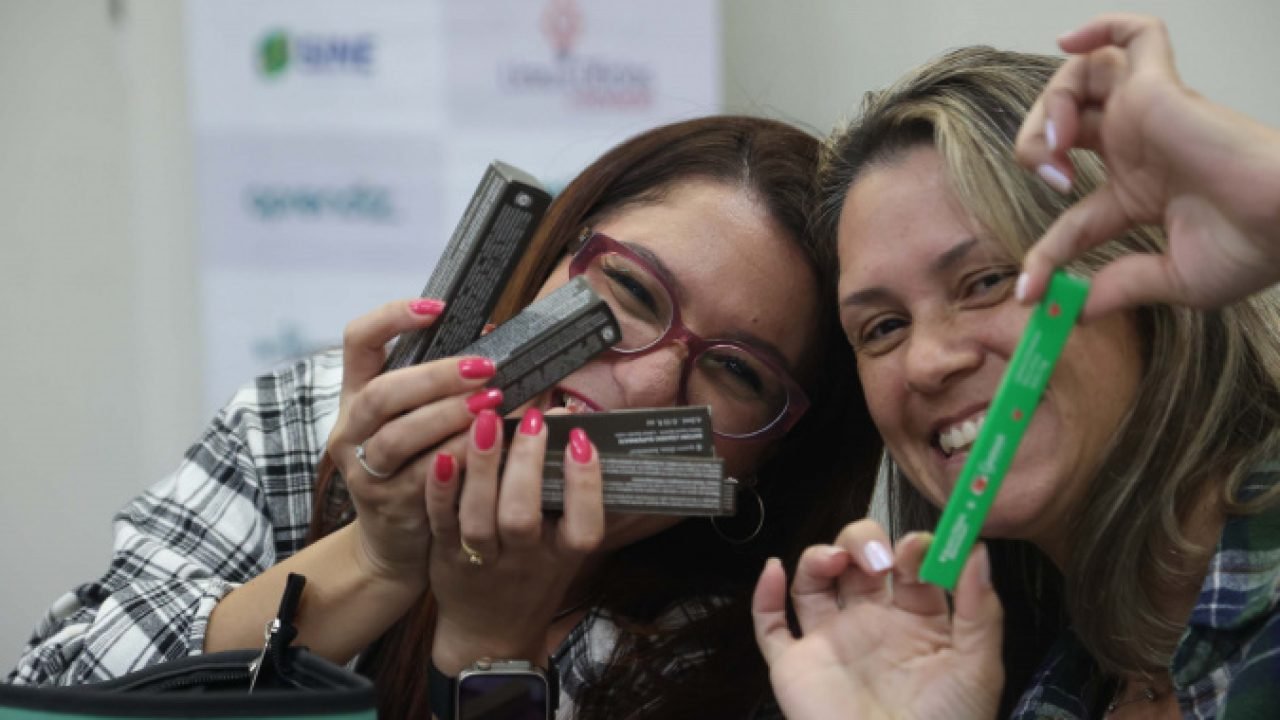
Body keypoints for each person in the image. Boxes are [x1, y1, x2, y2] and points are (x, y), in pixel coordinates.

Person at [9, 116, 884, 719]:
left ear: (766, 459)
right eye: (627, 290)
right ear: (545, 263)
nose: (650, 381)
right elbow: (51, 691)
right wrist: (371, 555)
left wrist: (489, 650)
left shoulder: (758, 645)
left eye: (735, 370)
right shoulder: (316, 421)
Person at [753, 14, 1280, 720]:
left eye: (986, 281)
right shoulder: (1036, 676)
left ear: (1147, 279)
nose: (930, 362)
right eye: (882, 328)